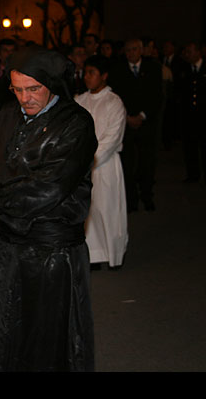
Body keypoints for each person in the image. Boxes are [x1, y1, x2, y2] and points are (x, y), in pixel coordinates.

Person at [0, 46, 98, 372]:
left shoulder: (76, 123)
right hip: (6, 247)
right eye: (17, 89)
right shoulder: (6, 115)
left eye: (33, 89)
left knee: (44, 342)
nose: (25, 98)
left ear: (51, 84)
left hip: (51, 254)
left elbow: (49, 187)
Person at [76, 55, 128, 268]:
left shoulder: (114, 102)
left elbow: (112, 137)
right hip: (82, 165)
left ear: (104, 76)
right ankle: (94, 255)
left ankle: (114, 254)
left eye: (92, 73)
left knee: (108, 209)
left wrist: (91, 157)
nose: (87, 77)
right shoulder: (79, 101)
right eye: (86, 72)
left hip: (104, 165)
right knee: (89, 211)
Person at [108, 38, 163, 212]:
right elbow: (115, 97)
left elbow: (157, 95)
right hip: (126, 122)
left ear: (141, 50)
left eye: (134, 49)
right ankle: (130, 200)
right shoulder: (117, 70)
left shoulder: (153, 68)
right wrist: (127, 117)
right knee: (127, 163)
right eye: (128, 50)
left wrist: (142, 115)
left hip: (146, 122)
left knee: (147, 162)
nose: (131, 53)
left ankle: (147, 196)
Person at [176, 42, 206, 184]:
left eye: (190, 51)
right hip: (189, 116)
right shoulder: (183, 68)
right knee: (190, 148)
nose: (187, 54)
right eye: (186, 52)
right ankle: (193, 175)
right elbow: (180, 92)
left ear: (198, 52)